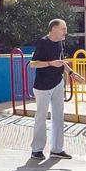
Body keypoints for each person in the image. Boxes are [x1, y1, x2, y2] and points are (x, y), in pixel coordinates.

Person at [29, 18, 71, 160]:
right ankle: (37, 149)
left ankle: (57, 149)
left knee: (59, 116)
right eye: (63, 28)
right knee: (41, 117)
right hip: (42, 85)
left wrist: (71, 73)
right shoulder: (43, 42)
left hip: (58, 83)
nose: (65, 31)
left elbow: (60, 62)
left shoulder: (60, 42)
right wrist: (49, 63)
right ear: (53, 29)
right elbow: (33, 64)